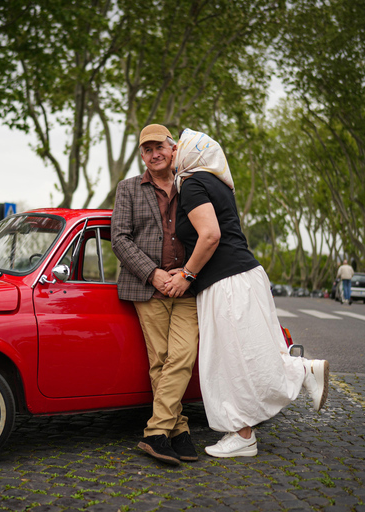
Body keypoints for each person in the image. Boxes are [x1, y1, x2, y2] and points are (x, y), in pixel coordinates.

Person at [164, 128, 329, 458]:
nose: (171, 153)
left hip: (227, 282)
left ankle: (251, 426)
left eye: (174, 147)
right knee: (245, 356)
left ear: (190, 154)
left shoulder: (193, 183)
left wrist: (186, 274)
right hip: (242, 277)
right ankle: (248, 429)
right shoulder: (217, 183)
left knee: (230, 361)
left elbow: (210, 236)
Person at [111, 124, 199, 466]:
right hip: (147, 288)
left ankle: (156, 432)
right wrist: (154, 274)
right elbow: (120, 239)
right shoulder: (129, 188)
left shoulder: (190, 184)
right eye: (147, 150)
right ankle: (178, 431)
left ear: (172, 148)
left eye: (158, 147)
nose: (154, 154)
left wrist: (186, 274)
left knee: (182, 356)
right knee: (161, 361)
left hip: (187, 285)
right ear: (142, 156)